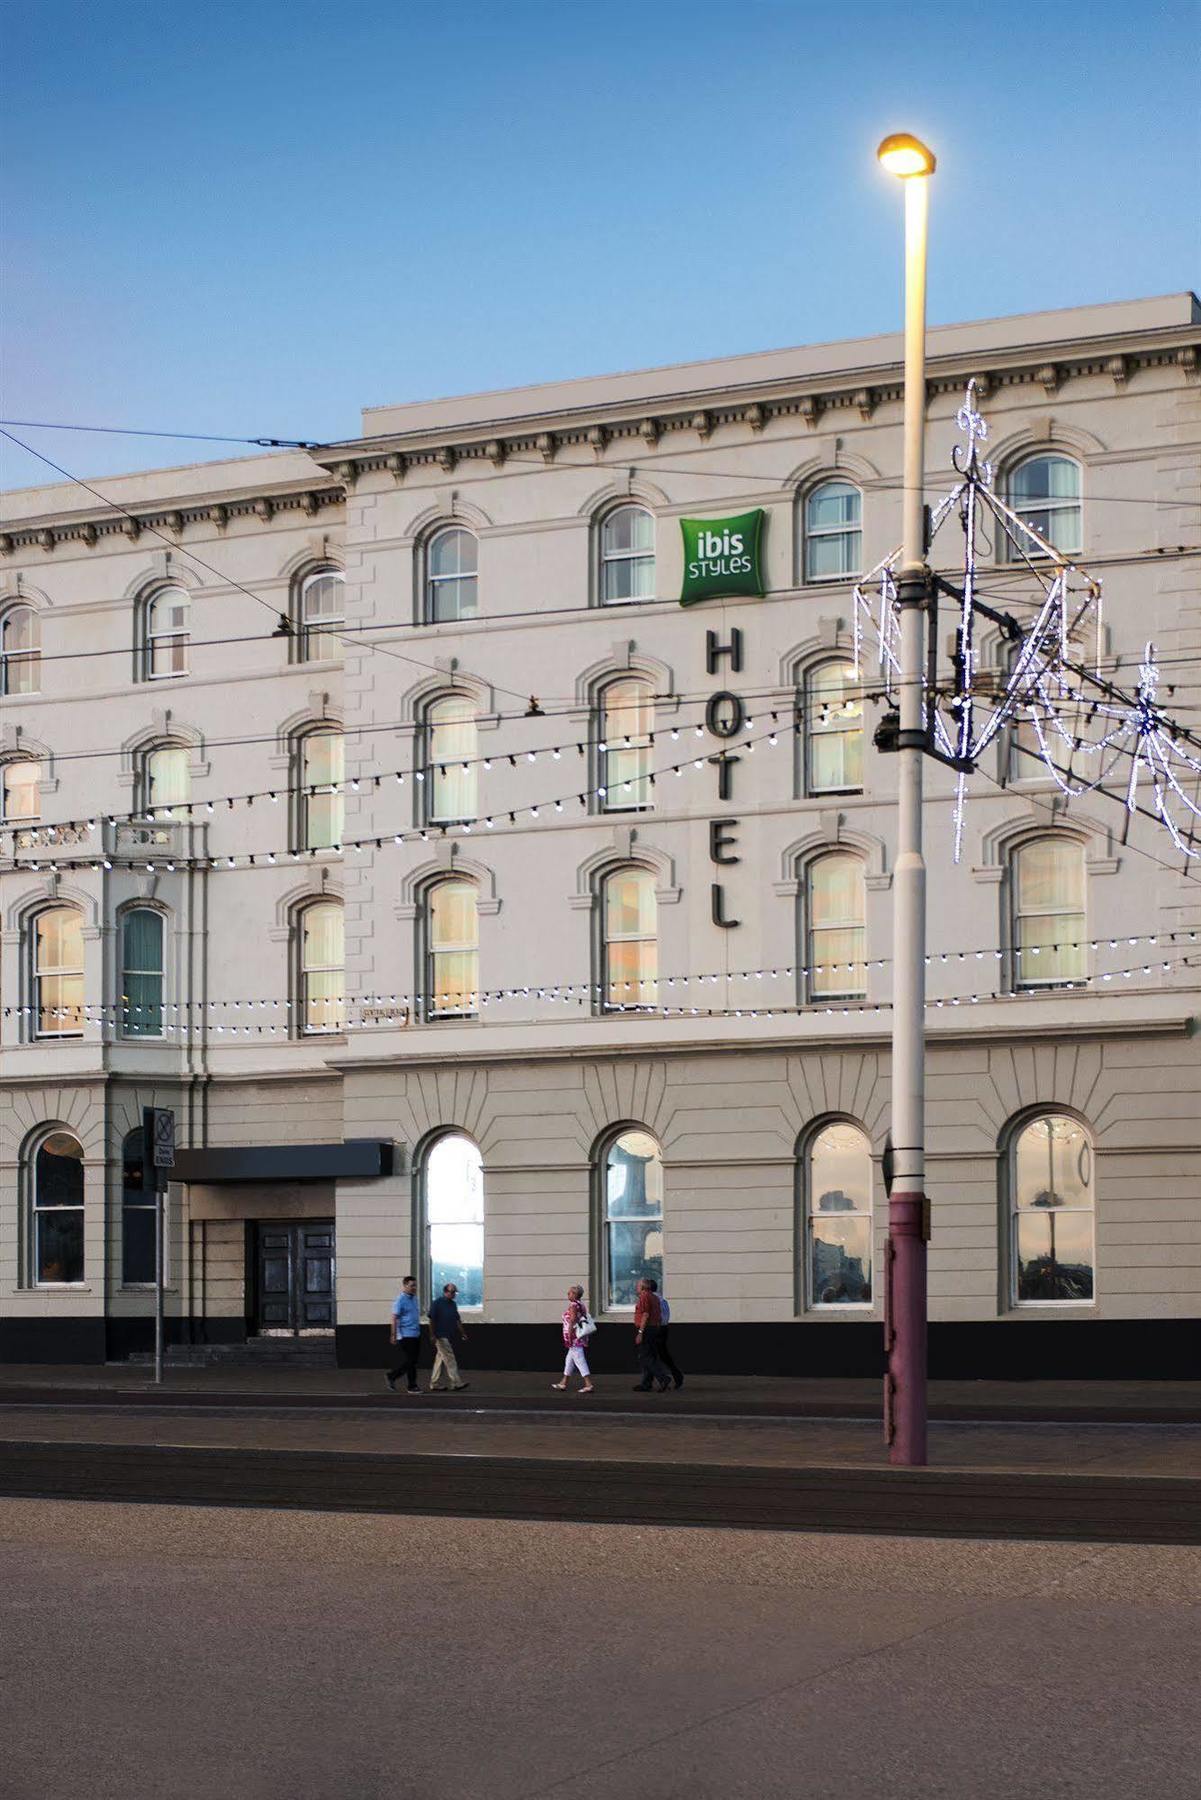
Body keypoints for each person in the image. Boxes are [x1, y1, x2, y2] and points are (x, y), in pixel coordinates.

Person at [552, 1283, 595, 1395]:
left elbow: (572, 1321)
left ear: (575, 1295)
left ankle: (588, 1384)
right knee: (569, 1359)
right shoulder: (581, 1305)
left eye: (570, 1292)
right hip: (579, 1336)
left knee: (579, 1359)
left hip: (574, 1336)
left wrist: (570, 1335)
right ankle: (564, 1382)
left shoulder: (573, 1306)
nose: (568, 1294)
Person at [427, 1281, 470, 1392]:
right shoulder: (437, 1303)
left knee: (440, 1359)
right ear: (445, 1292)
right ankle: (456, 1382)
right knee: (450, 1358)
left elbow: (457, 1320)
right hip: (440, 1336)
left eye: (455, 1292)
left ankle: (434, 1383)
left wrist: (463, 1333)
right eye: (452, 1292)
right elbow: (431, 1320)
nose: (454, 1294)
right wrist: (432, 1335)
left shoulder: (453, 1304)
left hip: (448, 1335)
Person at [632, 1276, 673, 1392]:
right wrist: (657, 1327)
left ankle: (663, 1378)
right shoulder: (655, 1297)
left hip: (646, 1329)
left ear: (643, 1287)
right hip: (654, 1328)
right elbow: (659, 1315)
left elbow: (645, 1314)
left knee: (645, 1356)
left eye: (638, 1285)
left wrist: (640, 1332)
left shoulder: (644, 1297)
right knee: (651, 1355)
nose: (636, 1287)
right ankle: (646, 1383)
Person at [386, 1275, 423, 1393]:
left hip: (415, 1334)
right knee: (411, 1361)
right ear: (405, 1286)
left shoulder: (414, 1299)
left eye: (415, 1285)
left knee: (413, 1361)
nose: (414, 1288)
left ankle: (393, 1376)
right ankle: (411, 1385)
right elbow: (394, 1318)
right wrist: (393, 1335)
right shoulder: (400, 1300)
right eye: (412, 1286)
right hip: (405, 1335)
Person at [653, 1281, 684, 1390]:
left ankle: (663, 1378)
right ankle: (676, 1376)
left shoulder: (655, 1301)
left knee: (652, 1355)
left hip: (657, 1329)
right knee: (663, 1355)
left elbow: (658, 1317)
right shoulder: (663, 1300)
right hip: (664, 1328)